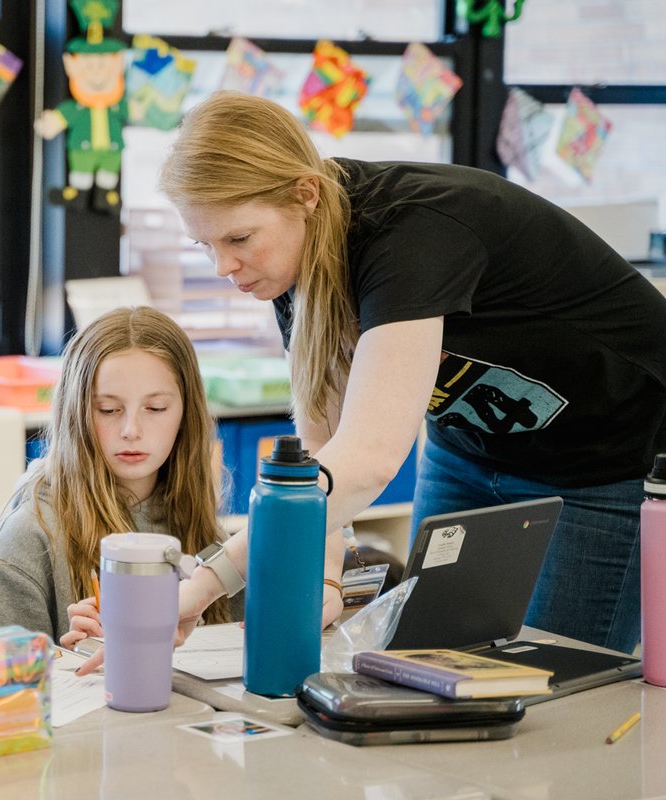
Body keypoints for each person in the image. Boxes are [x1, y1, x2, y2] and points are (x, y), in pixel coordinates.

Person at [72, 91, 666, 664]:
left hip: (608, 453)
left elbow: (369, 458)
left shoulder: (412, 233)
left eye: (239, 239)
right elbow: (323, 456)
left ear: (305, 193)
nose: (224, 266)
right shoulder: (291, 265)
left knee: (550, 674)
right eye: (205, 244)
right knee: (431, 662)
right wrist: (327, 577)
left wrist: (203, 587)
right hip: (468, 448)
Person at [0, 306, 240, 642]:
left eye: (155, 408)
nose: (131, 430)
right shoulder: (29, 539)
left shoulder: (202, 527)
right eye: (108, 410)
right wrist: (67, 659)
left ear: (186, 413)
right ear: (76, 413)